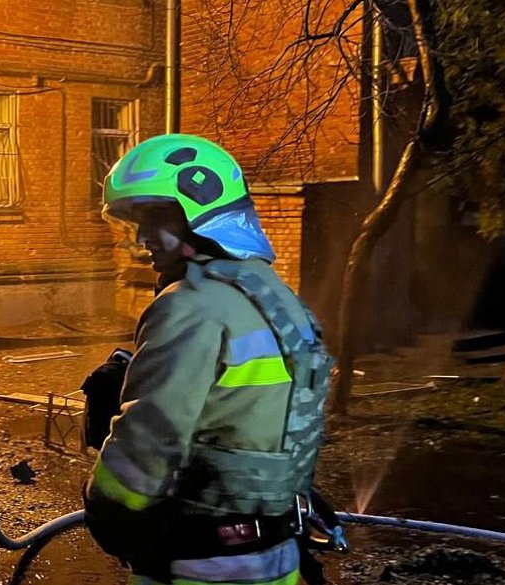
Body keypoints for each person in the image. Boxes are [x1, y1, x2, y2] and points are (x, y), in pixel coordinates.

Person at [84, 134, 333, 585]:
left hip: (199, 560)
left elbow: (148, 445)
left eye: (154, 217)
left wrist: (107, 510)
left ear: (197, 214)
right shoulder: (281, 299)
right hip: (277, 557)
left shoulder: (189, 305)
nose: (141, 237)